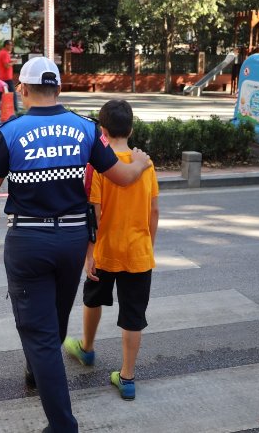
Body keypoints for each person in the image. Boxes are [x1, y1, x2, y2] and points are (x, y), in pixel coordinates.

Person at [0, 57, 153, 433]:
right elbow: (121, 176)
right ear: (58, 88)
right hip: (71, 241)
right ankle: (37, 370)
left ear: (22, 89)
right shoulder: (86, 129)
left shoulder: (11, 131)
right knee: (54, 316)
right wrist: (139, 163)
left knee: (39, 333)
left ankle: (62, 425)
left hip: (29, 241)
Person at [63, 99, 159, 402]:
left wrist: (89, 254)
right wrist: (148, 244)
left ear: (102, 130)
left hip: (105, 250)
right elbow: (154, 211)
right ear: (130, 128)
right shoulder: (146, 164)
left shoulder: (99, 166)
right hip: (139, 253)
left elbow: (94, 215)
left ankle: (87, 349)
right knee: (134, 316)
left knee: (93, 300)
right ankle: (127, 377)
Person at [0, 40, 17, 111]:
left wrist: (10, 61)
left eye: (12, 45)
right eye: (10, 45)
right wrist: (13, 62)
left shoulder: (2, 52)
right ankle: (16, 110)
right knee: (13, 94)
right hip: (6, 78)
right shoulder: (4, 53)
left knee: (0, 94)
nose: (12, 47)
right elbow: (7, 66)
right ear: (6, 45)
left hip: (2, 77)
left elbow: (5, 63)